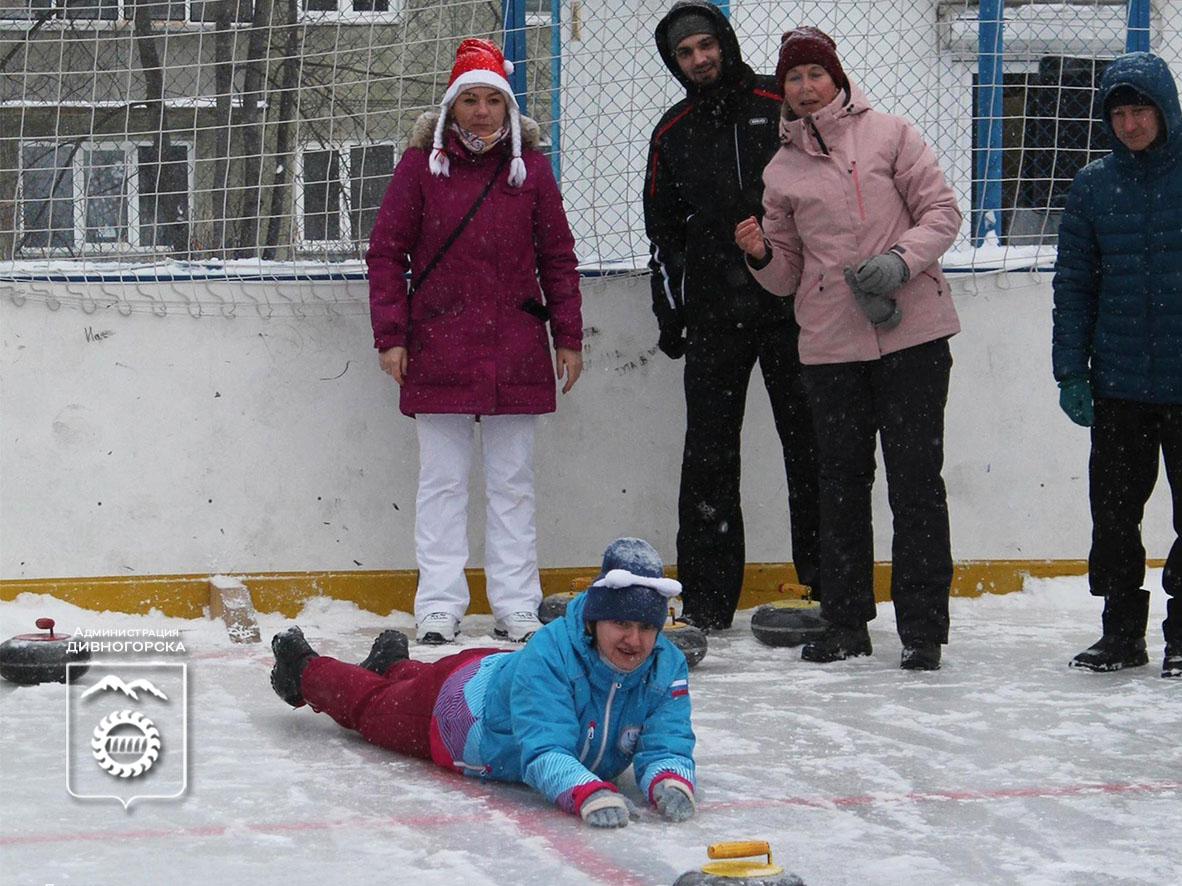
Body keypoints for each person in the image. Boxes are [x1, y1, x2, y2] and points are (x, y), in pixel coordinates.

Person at [734, 27, 961, 670]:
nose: (806, 88)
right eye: (794, 79)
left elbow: (941, 212)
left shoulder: (890, 133)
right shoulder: (780, 170)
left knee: (916, 482)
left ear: (836, 78)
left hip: (912, 336)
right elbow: (786, 276)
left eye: (816, 74)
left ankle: (922, 628)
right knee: (839, 484)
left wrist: (899, 261)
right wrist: (759, 254)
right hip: (831, 346)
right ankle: (846, 620)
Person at [366, 38, 584, 645]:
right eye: (470, 100)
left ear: (508, 109)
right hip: (437, 346)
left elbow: (557, 258)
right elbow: (386, 254)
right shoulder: (420, 169)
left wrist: (567, 336)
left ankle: (517, 602)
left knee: (512, 483)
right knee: (442, 482)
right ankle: (438, 603)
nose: (482, 112)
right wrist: (392, 336)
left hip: (515, 345)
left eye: (494, 100)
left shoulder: (531, 171)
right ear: (451, 108)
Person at [268, 538, 698, 826]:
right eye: (621, 622)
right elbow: (544, 749)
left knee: (401, 689)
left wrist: (670, 782)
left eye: (646, 626)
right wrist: (588, 793)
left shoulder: (666, 665)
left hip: (495, 676)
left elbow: (667, 741)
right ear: (594, 619)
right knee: (372, 707)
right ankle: (303, 669)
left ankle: (395, 665)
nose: (634, 639)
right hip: (455, 712)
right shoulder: (551, 656)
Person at [642, 1, 821, 632]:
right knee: (709, 456)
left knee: (812, 447)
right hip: (716, 318)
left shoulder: (781, 101)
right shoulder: (672, 133)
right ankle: (709, 601)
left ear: (724, 41)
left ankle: (827, 588)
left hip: (794, 309)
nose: (698, 60)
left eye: (704, 46)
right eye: (684, 54)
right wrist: (672, 312)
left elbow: (831, 191)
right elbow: (662, 234)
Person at [1052, 51, 1182, 678]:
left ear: (1166, 109)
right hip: (1121, 383)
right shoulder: (1093, 186)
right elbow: (1074, 285)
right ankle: (1121, 633)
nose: (1130, 124)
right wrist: (1071, 370)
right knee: (1114, 516)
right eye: (1120, 114)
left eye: (1141, 110)